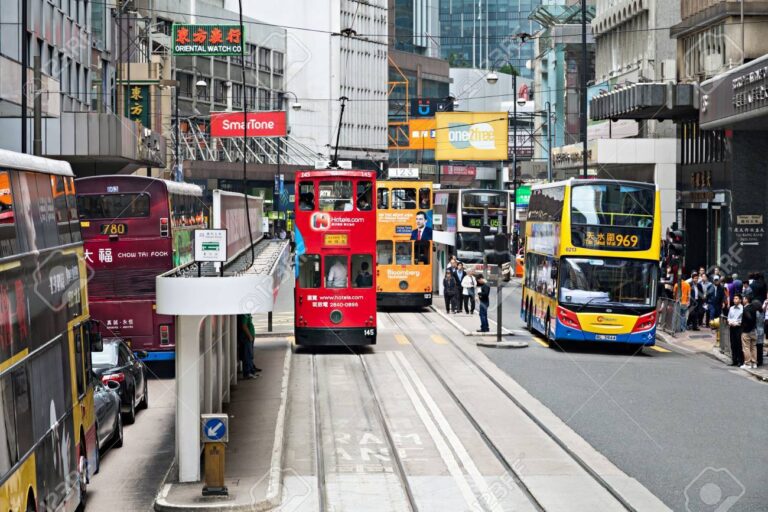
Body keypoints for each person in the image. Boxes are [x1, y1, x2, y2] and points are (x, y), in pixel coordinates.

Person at [741, 292, 761, 369]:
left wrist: (744, 326)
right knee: (753, 347)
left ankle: (747, 363)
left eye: (743, 298)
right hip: (753, 330)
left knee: (746, 347)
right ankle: (754, 363)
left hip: (747, 331)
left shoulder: (746, 308)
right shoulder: (754, 308)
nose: (743, 300)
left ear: (746, 300)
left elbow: (749, 318)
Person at [238, 313, 259, 379]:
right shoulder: (244, 314)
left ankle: (251, 371)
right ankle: (247, 373)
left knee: (250, 355)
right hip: (246, 337)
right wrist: (249, 336)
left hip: (249, 337)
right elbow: (244, 326)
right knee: (247, 355)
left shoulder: (247, 314)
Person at [727, 294, 744, 367]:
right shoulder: (731, 308)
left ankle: (740, 361)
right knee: (733, 344)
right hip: (732, 327)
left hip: (739, 328)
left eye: (736, 298)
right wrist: (729, 322)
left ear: (740, 300)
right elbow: (728, 317)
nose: (734, 300)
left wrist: (736, 323)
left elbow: (742, 320)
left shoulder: (742, 308)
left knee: (739, 344)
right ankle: (734, 360)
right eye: (734, 298)